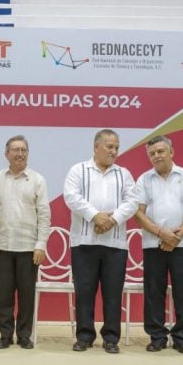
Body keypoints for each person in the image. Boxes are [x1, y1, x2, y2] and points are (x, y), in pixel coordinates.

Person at [63, 129, 137, 353]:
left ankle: (111, 337)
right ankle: (84, 336)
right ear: (96, 147)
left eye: (116, 147)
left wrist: (111, 220)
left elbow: (132, 202)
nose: (114, 151)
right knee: (84, 292)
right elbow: (71, 197)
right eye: (109, 146)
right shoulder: (78, 170)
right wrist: (95, 215)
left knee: (113, 293)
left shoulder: (123, 174)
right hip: (84, 242)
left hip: (115, 243)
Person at [132, 135, 183, 354]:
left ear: (171, 152)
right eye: (152, 153)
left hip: (182, 244)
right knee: (154, 291)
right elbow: (138, 214)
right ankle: (157, 336)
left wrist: (177, 236)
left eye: (161, 151)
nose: (156, 156)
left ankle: (182, 337)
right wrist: (161, 233)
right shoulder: (144, 180)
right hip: (153, 244)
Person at [0, 135, 50, 350]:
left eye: (23, 150)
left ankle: (24, 335)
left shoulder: (37, 180)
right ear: (6, 154)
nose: (20, 153)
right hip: (3, 245)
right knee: (5, 294)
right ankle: (5, 335)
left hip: (28, 247)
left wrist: (40, 244)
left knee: (26, 295)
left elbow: (44, 214)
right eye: (15, 150)